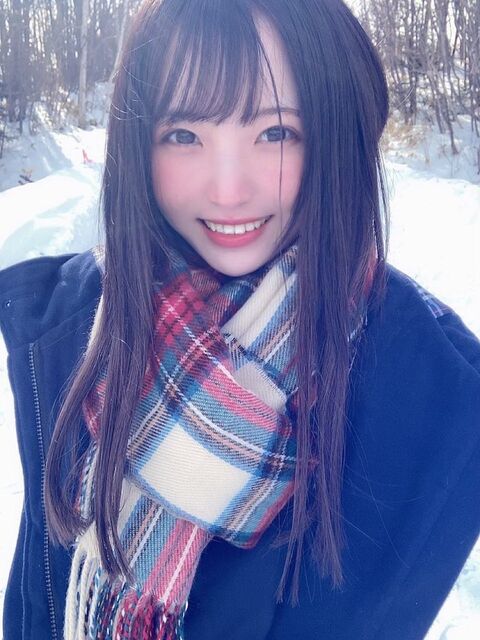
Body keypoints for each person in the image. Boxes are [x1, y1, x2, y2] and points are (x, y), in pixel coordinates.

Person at [1, 0, 479, 638]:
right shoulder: (72, 323)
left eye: (275, 133)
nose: (228, 191)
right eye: (184, 135)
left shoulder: (439, 397)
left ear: (337, 132)